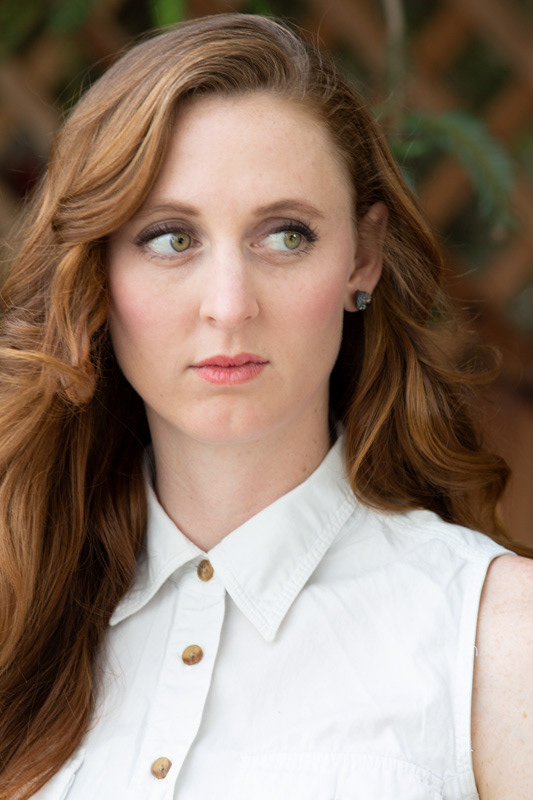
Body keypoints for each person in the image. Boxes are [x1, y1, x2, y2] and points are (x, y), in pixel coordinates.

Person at [0, 12, 531, 800]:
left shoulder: (495, 637)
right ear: (97, 275)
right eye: (169, 238)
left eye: (285, 236)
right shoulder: (21, 606)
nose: (228, 304)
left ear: (363, 256)